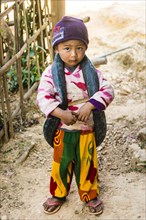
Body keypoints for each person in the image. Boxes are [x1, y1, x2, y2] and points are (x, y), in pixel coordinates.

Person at [37, 16, 114, 215]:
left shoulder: (92, 72)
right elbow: (43, 96)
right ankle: (58, 193)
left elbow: (108, 90)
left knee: (87, 162)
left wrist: (90, 105)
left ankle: (89, 193)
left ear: (86, 48)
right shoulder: (50, 74)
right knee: (61, 162)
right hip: (63, 129)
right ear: (56, 48)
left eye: (79, 48)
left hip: (86, 128)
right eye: (67, 48)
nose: (73, 54)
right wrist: (59, 112)